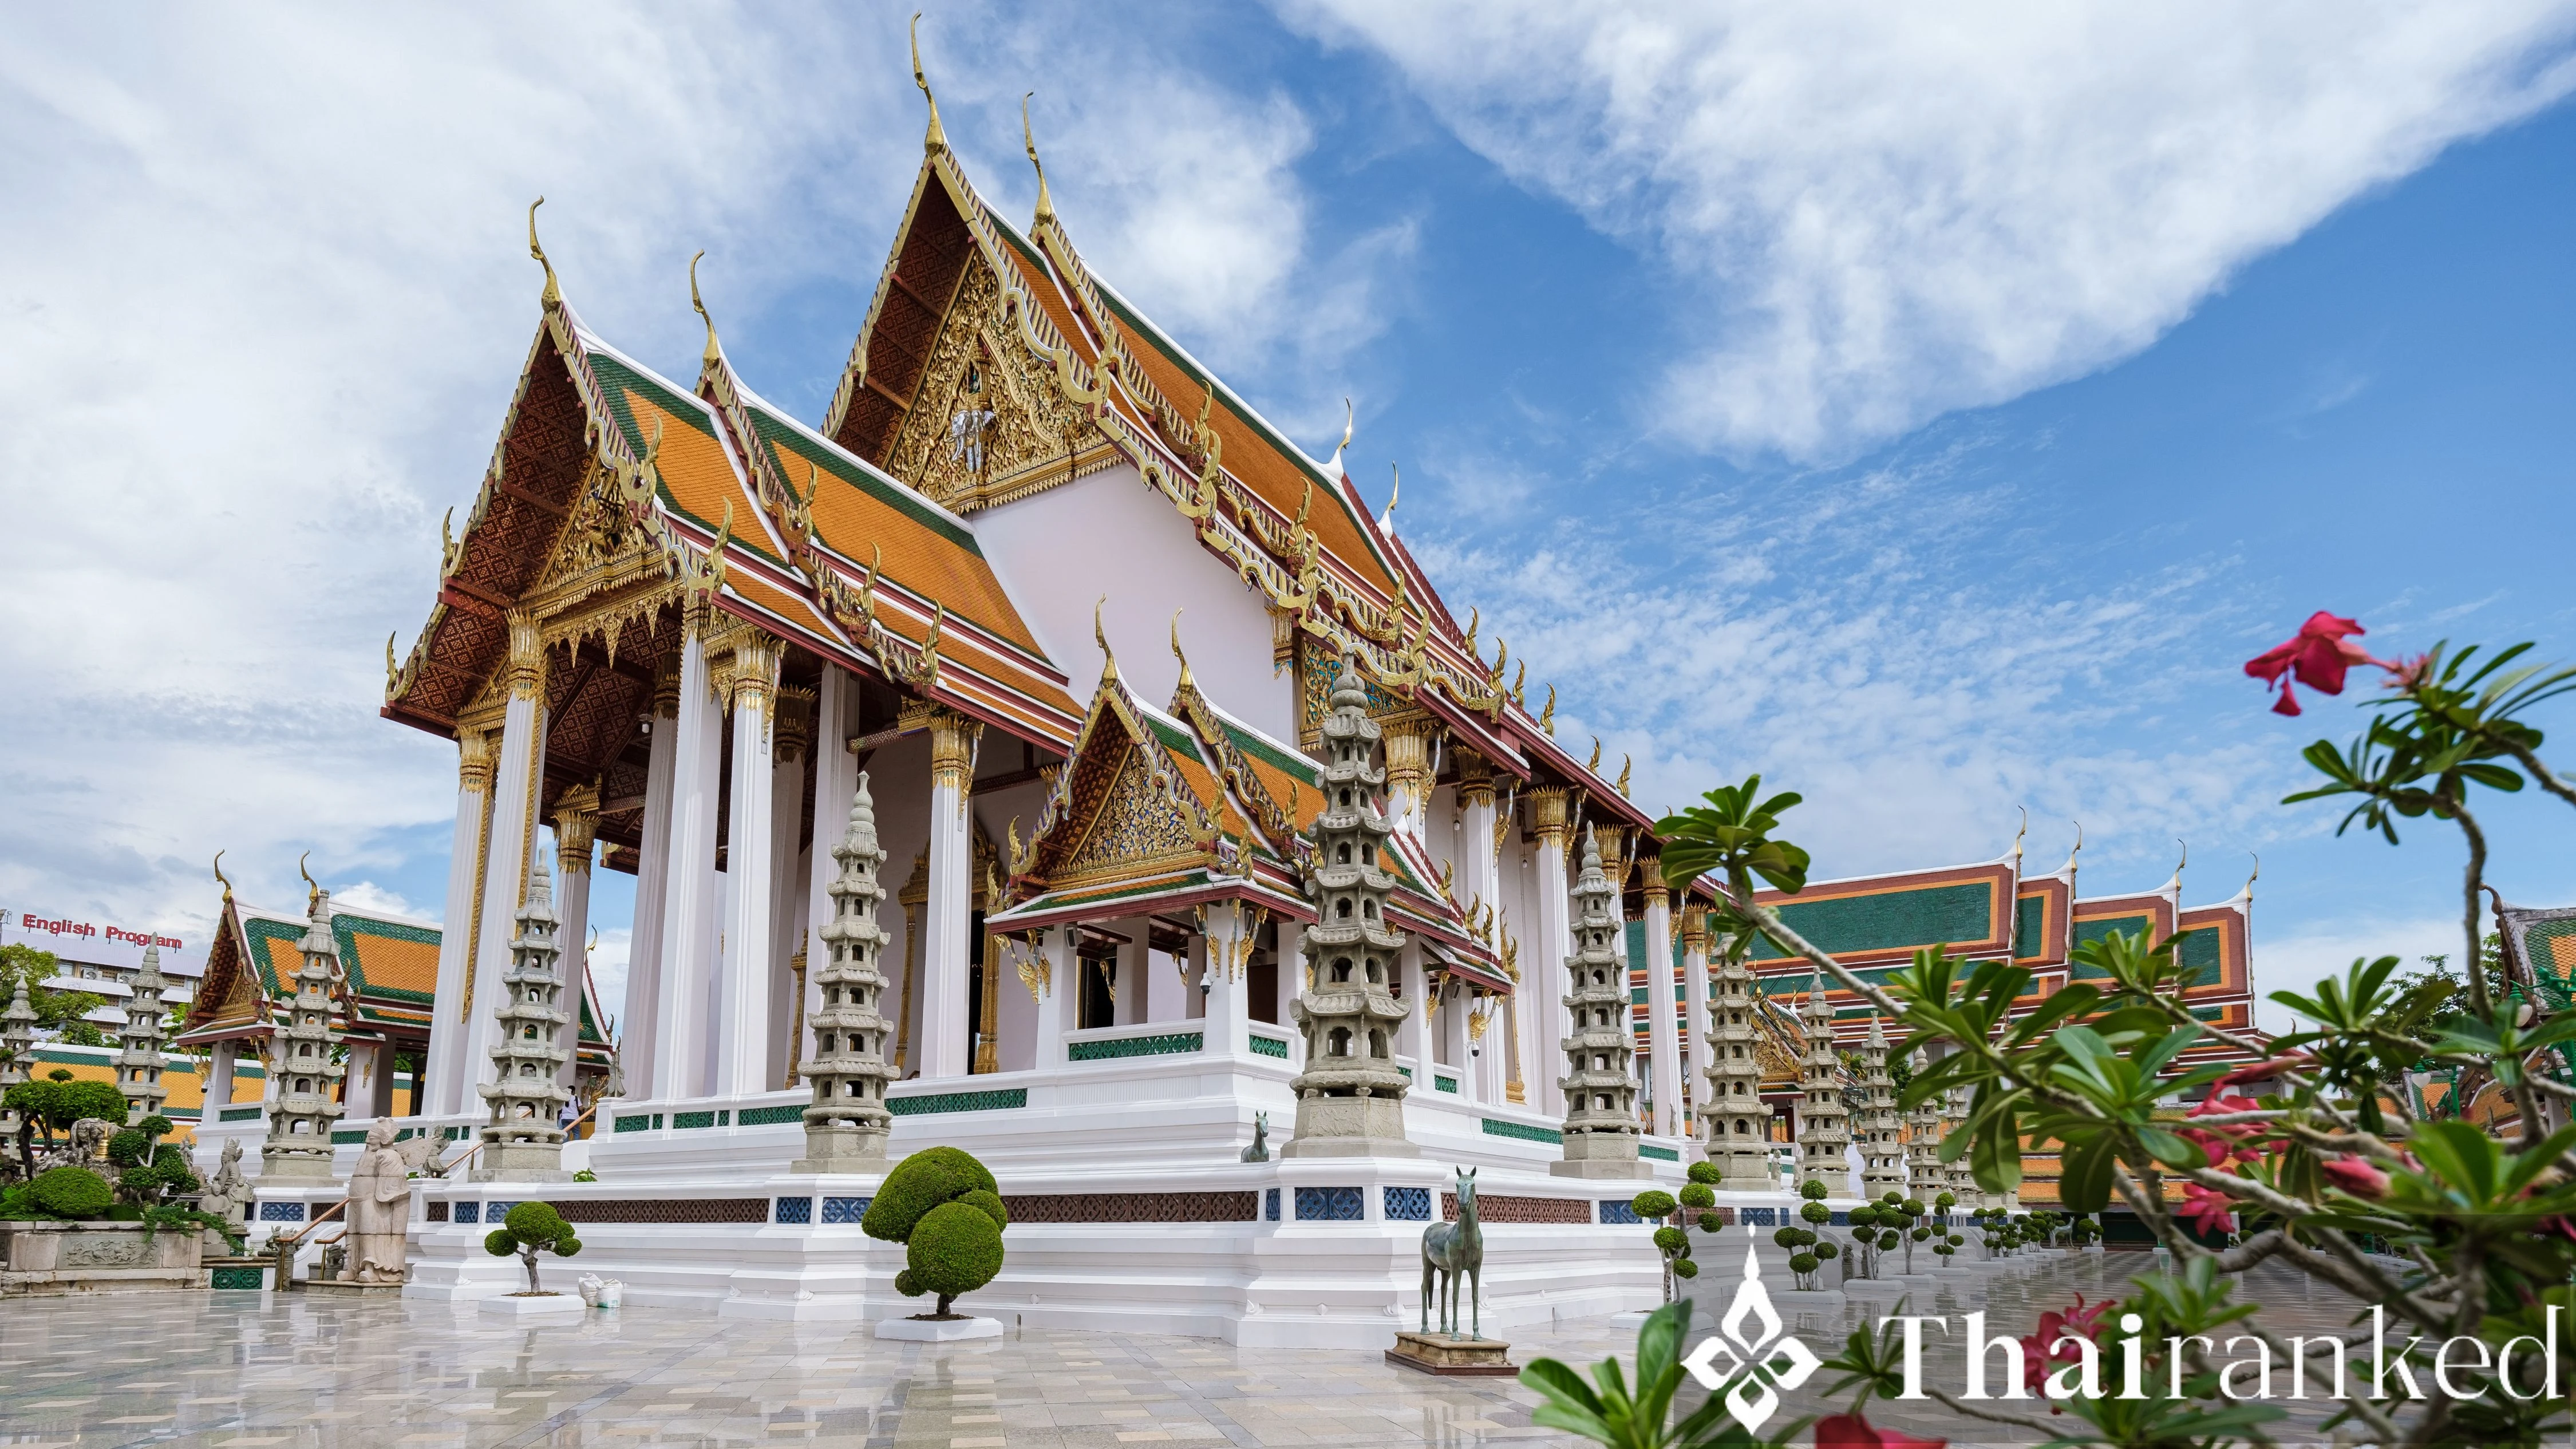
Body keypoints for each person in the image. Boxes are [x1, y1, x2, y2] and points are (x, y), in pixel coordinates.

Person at [345, 1118, 413, 1283]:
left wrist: (387, 1161)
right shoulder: (366, 1154)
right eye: (368, 1137)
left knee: (371, 1235)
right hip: (356, 1200)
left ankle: (371, 1269)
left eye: (372, 1138)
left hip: (372, 1200)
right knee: (353, 1236)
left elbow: (394, 1183)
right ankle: (352, 1269)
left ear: (383, 1139)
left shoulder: (388, 1155)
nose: (368, 1141)